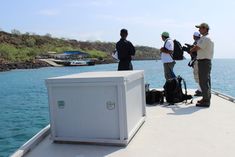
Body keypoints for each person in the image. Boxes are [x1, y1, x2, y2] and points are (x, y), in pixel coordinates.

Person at [190, 23, 214, 107]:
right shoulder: (205, 38)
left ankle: (206, 101)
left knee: (203, 81)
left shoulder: (205, 39)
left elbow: (196, 48)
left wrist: (191, 49)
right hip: (204, 62)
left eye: (200, 28)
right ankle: (205, 98)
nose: (199, 30)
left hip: (204, 62)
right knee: (205, 81)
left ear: (205, 29)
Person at [189, 32, 202, 96]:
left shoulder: (197, 42)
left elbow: (195, 52)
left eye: (193, 36)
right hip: (197, 60)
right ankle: (200, 89)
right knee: (198, 75)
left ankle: (200, 90)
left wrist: (190, 50)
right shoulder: (199, 41)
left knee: (197, 75)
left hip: (197, 60)